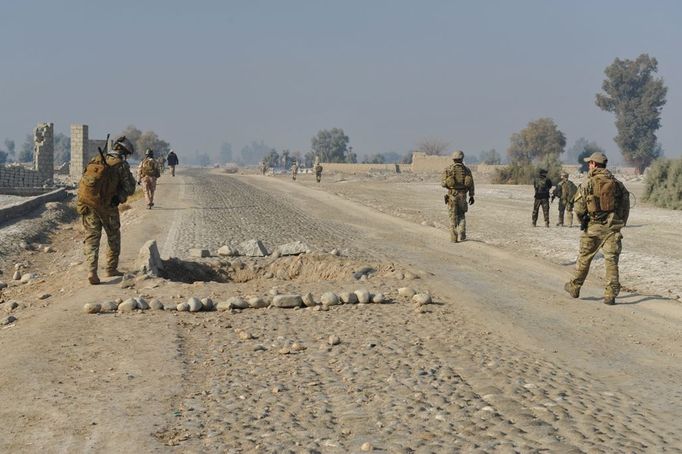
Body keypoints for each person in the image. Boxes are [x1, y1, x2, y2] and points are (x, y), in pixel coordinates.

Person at [564, 152, 629, 305]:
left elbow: (578, 208)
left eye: (590, 163)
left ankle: (574, 287)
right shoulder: (618, 184)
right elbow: (625, 206)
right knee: (611, 261)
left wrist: (584, 222)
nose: (588, 165)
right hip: (612, 228)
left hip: (593, 228)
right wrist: (620, 223)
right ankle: (610, 295)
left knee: (584, 258)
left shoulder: (587, 183)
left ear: (594, 164)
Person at [76, 136, 136, 285]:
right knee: (113, 236)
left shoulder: (95, 159)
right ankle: (111, 268)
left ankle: (92, 271)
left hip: (88, 204)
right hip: (108, 207)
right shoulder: (121, 165)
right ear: (124, 152)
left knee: (92, 238)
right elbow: (130, 188)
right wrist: (119, 198)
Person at [440, 150, 475, 243]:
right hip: (463, 195)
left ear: (453, 158)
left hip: (452, 195)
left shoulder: (448, 169)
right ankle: (462, 232)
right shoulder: (467, 170)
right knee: (461, 214)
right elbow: (471, 184)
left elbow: (443, 184)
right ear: (462, 158)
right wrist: (471, 196)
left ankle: (454, 238)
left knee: (452, 216)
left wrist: (449, 184)